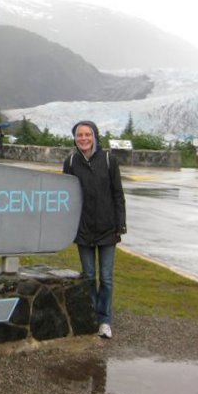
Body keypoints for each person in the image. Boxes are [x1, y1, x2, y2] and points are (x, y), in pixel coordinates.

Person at [62, 120, 125, 340]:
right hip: (83, 228)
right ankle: (93, 316)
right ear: (75, 138)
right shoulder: (71, 162)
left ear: (95, 136)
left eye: (87, 134)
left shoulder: (109, 160)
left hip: (107, 228)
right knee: (88, 276)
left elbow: (118, 194)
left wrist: (120, 224)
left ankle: (104, 320)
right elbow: (66, 196)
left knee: (106, 278)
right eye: (80, 135)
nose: (84, 139)